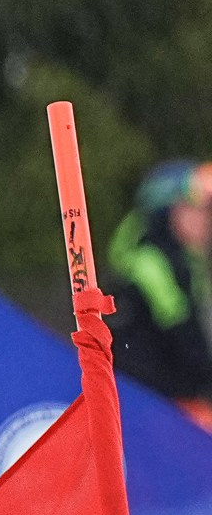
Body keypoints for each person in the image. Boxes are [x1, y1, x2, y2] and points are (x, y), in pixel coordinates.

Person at [107, 159, 212, 419]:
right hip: (153, 406)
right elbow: (185, 341)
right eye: (195, 209)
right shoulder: (152, 265)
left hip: (166, 399)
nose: (205, 220)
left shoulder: (182, 261)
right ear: (166, 212)